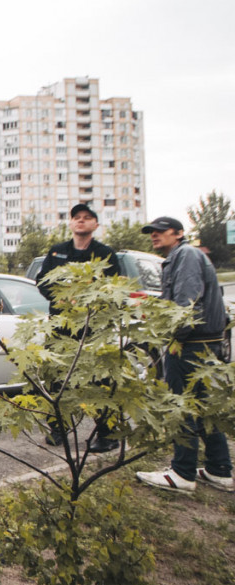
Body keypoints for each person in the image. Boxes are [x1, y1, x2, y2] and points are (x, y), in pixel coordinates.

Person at [136, 216, 232, 493]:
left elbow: (186, 303)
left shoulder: (185, 255)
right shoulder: (180, 256)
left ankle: (183, 473)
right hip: (205, 342)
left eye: (160, 231)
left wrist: (174, 336)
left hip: (190, 343)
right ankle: (220, 470)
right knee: (202, 407)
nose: (154, 236)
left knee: (182, 407)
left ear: (178, 233)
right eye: (151, 232)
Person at [35, 203, 122, 452]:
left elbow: (113, 288)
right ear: (71, 223)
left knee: (96, 381)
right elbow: (42, 282)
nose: (81, 221)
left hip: (91, 330)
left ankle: (107, 435)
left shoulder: (104, 254)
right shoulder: (57, 252)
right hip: (60, 327)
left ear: (95, 224)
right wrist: (62, 297)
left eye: (87, 217)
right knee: (56, 380)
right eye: (77, 217)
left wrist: (87, 298)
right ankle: (58, 429)